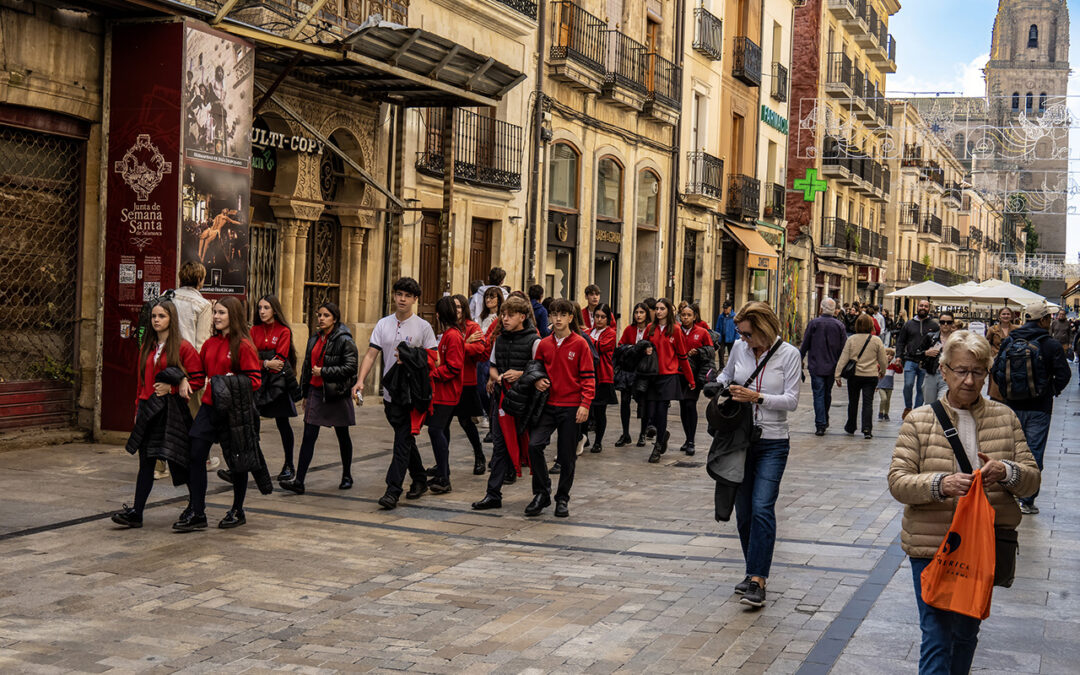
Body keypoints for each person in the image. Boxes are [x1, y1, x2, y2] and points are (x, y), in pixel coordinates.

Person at [888, 331, 1040, 674]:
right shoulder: (919, 421)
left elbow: (1032, 480)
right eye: (961, 371)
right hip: (932, 543)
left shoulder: (1005, 417)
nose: (969, 381)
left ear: (987, 373)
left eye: (977, 372)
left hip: (981, 546)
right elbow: (898, 482)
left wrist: (1006, 471)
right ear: (944, 371)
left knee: (966, 633)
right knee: (937, 635)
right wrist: (940, 484)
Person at [717, 302, 801, 608]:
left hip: (773, 442)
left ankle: (758, 581)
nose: (743, 339)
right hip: (741, 440)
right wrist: (718, 383)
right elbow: (727, 375)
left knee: (762, 507)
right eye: (741, 333)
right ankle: (752, 569)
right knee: (744, 513)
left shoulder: (789, 354)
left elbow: (791, 401)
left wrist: (757, 397)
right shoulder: (740, 349)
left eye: (748, 334)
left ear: (764, 329)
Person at [111, 300, 204, 528]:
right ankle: (137, 512)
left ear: (171, 318)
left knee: (178, 460)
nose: (156, 320)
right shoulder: (147, 346)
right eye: (153, 316)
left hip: (171, 411)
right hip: (148, 408)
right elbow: (141, 381)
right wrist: (137, 408)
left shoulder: (183, 347)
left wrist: (174, 387)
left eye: (161, 316)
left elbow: (198, 378)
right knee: (146, 462)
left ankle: (195, 508)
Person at [177, 296, 262, 531]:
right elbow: (198, 374)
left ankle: (237, 510)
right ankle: (197, 511)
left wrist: (229, 381)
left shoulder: (243, 345)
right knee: (195, 454)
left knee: (237, 461)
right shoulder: (209, 344)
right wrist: (183, 381)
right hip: (209, 407)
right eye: (215, 312)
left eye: (221, 312)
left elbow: (255, 380)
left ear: (233, 316)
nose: (216, 316)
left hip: (234, 412)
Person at [354, 277, 438, 510]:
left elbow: (435, 359)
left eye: (408, 296)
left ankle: (392, 490)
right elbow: (371, 354)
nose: (402, 299)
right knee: (405, 439)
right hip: (391, 394)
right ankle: (419, 479)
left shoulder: (423, 327)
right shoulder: (383, 324)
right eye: (399, 294)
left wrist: (410, 357)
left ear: (415, 299)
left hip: (413, 395)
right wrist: (360, 381)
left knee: (402, 440)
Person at [997, 301, 1071, 514]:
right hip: (1040, 407)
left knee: (1011, 449)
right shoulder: (1051, 344)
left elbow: (996, 371)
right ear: (1044, 320)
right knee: (1033, 451)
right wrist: (1050, 390)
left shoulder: (1010, 340)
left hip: (1012, 405)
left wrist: (1007, 392)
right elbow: (1064, 374)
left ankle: (1009, 491)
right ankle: (1027, 499)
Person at [524, 299, 595, 518]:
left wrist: (585, 404)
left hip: (571, 407)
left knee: (567, 456)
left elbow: (589, 378)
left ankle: (562, 498)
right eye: (554, 314)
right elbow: (536, 369)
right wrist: (537, 380)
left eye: (563, 315)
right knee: (534, 445)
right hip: (547, 405)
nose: (558, 319)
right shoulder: (544, 344)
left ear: (571, 318)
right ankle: (541, 493)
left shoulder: (580, 344)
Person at [470, 296, 542, 511]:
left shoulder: (534, 341)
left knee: (533, 447)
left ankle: (541, 493)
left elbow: (540, 369)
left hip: (527, 403)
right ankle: (493, 493)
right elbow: (492, 366)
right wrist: (497, 377)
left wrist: (520, 374)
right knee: (500, 446)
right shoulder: (499, 340)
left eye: (510, 315)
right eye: (503, 315)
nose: (505, 319)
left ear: (522, 317)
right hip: (502, 399)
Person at [279, 302, 357, 494]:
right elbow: (307, 367)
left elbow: (350, 367)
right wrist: (305, 394)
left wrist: (324, 371)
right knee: (308, 435)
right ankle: (299, 481)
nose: (321, 318)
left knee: (342, 435)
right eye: (319, 315)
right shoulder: (314, 338)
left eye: (326, 315)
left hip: (336, 393)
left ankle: (347, 475)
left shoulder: (344, 339)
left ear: (335, 319)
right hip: (316, 392)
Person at [167, 261, 218, 479]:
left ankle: (159, 465)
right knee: (196, 413)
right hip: (189, 365)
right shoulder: (203, 304)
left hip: (165, 362)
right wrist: (201, 373)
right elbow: (201, 341)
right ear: (200, 279)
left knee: (164, 413)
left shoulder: (167, 296)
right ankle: (202, 458)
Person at [250, 295, 299, 481]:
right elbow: (249, 358)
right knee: (251, 423)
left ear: (275, 310)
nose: (262, 311)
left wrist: (262, 360)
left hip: (277, 383)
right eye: (260, 308)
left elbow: (280, 360)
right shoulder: (254, 330)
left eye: (266, 308)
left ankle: (289, 465)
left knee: (283, 424)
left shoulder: (283, 330)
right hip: (257, 381)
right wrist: (265, 363)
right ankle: (252, 464)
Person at [643, 298, 695, 463]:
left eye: (662, 309)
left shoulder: (676, 330)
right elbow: (641, 348)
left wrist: (690, 379)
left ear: (668, 311)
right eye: (657, 309)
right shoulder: (650, 329)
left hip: (668, 376)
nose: (658, 311)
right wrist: (645, 350)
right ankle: (662, 434)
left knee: (661, 411)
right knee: (650, 412)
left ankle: (657, 447)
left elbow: (682, 356)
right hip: (652, 376)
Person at [424, 296, 466, 495]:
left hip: (447, 392)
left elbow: (454, 367)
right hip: (443, 391)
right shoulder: (449, 334)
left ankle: (444, 477)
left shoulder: (453, 336)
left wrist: (433, 374)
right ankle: (443, 471)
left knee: (435, 430)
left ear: (439, 315)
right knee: (442, 430)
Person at [448, 294, 488, 475]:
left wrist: (460, 345)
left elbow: (480, 349)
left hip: (466, 381)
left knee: (466, 422)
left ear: (464, 308)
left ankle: (479, 455)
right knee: (442, 424)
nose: (456, 310)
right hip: (448, 382)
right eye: (453, 307)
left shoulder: (472, 327)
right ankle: (442, 462)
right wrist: (465, 343)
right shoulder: (448, 327)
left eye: (459, 306)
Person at [834, 314, 887, 439]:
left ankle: (851, 426)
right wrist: (882, 371)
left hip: (855, 375)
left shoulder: (851, 339)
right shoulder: (876, 340)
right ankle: (867, 428)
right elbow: (883, 359)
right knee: (868, 403)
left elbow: (843, 358)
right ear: (871, 326)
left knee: (853, 402)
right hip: (870, 376)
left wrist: (837, 375)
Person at [799, 298, 847, 436]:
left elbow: (805, 343)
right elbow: (844, 348)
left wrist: (800, 358)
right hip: (832, 366)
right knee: (827, 393)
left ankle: (821, 423)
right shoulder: (839, 326)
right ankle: (823, 419)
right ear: (835, 310)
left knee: (818, 394)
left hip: (816, 365)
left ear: (821, 308)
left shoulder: (814, 323)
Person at [678, 302, 713, 456]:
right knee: (683, 406)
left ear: (694, 317)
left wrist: (698, 351)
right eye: (683, 315)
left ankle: (691, 440)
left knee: (690, 404)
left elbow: (710, 351)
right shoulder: (676, 331)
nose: (685, 318)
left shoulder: (702, 332)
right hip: (679, 374)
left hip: (695, 375)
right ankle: (687, 438)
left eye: (689, 315)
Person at [894, 299, 939, 419]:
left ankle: (917, 411)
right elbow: (901, 341)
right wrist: (898, 356)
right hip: (910, 359)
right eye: (921, 306)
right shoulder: (908, 324)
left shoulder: (934, 325)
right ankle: (908, 407)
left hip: (925, 362)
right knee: (908, 385)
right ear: (917, 307)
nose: (923, 308)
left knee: (921, 389)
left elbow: (938, 342)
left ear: (929, 309)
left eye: (925, 306)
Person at [615, 302, 651, 447]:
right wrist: (632, 348)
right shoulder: (629, 329)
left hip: (643, 371)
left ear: (646, 314)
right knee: (624, 401)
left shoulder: (650, 329)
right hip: (628, 371)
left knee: (643, 402)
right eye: (636, 312)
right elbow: (620, 346)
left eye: (641, 312)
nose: (638, 315)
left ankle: (642, 434)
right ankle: (625, 433)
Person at [587, 304, 618, 455]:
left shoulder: (610, 333)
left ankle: (598, 441)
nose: (599, 319)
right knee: (586, 409)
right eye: (597, 316)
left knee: (600, 411)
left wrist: (586, 339)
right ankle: (584, 437)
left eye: (602, 317)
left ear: (608, 319)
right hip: (588, 375)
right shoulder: (589, 331)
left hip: (603, 375)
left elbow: (601, 347)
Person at [918, 311, 959, 406]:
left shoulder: (957, 339)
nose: (945, 324)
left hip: (948, 375)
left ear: (952, 323)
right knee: (929, 404)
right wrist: (926, 353)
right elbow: (917, 353)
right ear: (939, 323)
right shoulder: (931, 337)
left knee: (942, 404)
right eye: (942, 322)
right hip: (931, 374)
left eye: (948, 322)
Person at [986, 307, 1015, 402]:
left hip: (1011, 362)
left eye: (1008, 314)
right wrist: (990, 358)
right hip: (996, 362)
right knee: (995, 389)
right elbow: (987, 345)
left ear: (1011, 316)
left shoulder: (1016, 329)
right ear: (999, 316)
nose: (1006, 316)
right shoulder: (992, 329)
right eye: (1003, 314)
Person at [713, 301, 737, 368]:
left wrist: (736, 339)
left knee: (731, 354)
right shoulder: (721, 316)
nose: (724, 309)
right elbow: (717, 328)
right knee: (721, 352)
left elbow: (737, 328)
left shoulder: (735, 317)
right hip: (722, 337)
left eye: (726, 308)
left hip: (731, 338)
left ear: (730, 308)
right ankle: (721, 367)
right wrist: (717, 337)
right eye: (724, 308)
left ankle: (731, 368)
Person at [877, 348, 899, 421]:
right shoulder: (880, 365)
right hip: (881, 386)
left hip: (889, 387)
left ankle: (886, 414)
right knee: (884, 399)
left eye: (891, 355)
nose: (889, 356)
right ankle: (880, 413)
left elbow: (899, 371)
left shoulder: (893, 366)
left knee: (888, 401)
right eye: (887, 354)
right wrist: (876, 385)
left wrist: (899, 365)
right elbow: (875, 375)